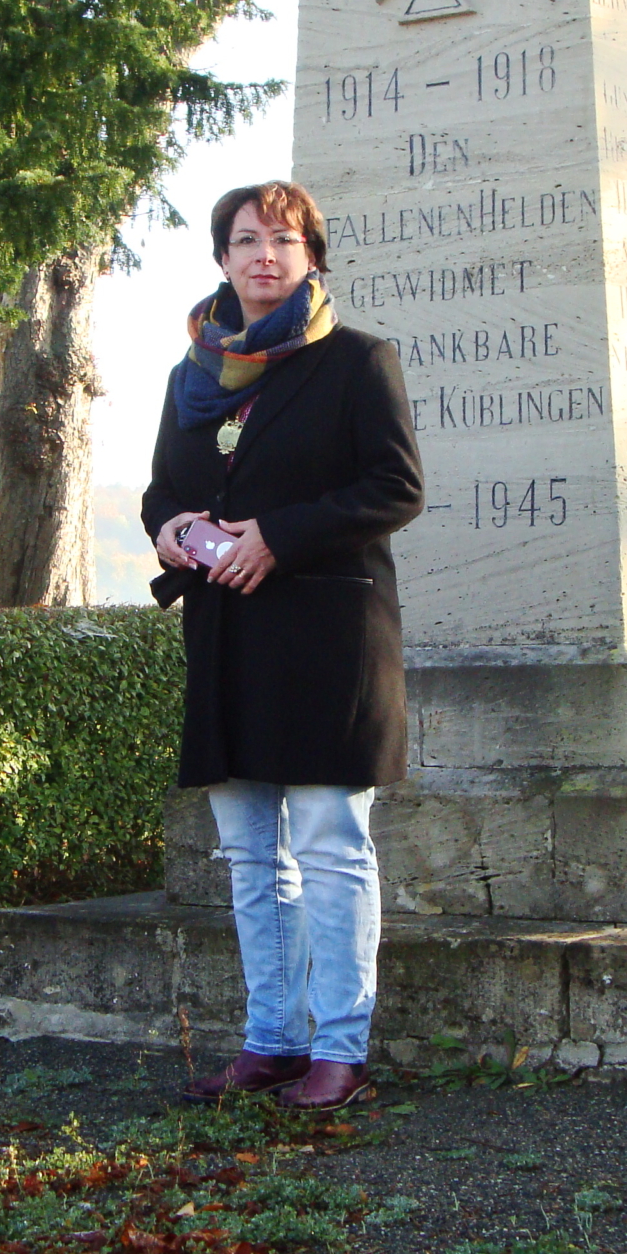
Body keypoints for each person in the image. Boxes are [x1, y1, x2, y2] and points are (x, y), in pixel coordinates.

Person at [143, 180, 424, 1113]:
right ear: (222, 257)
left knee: (332, 846)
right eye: (246, 239)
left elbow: (396, 487)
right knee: (249, 855)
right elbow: (158, 493)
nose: (266, 254)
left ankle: (339, 1047)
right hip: (227, 635)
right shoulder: (192, 376)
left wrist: (280, 535)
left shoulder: (356, 360)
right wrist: (174, 529)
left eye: (285, 240)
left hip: (327, 638)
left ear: (312, 257)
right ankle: (271, 1041)